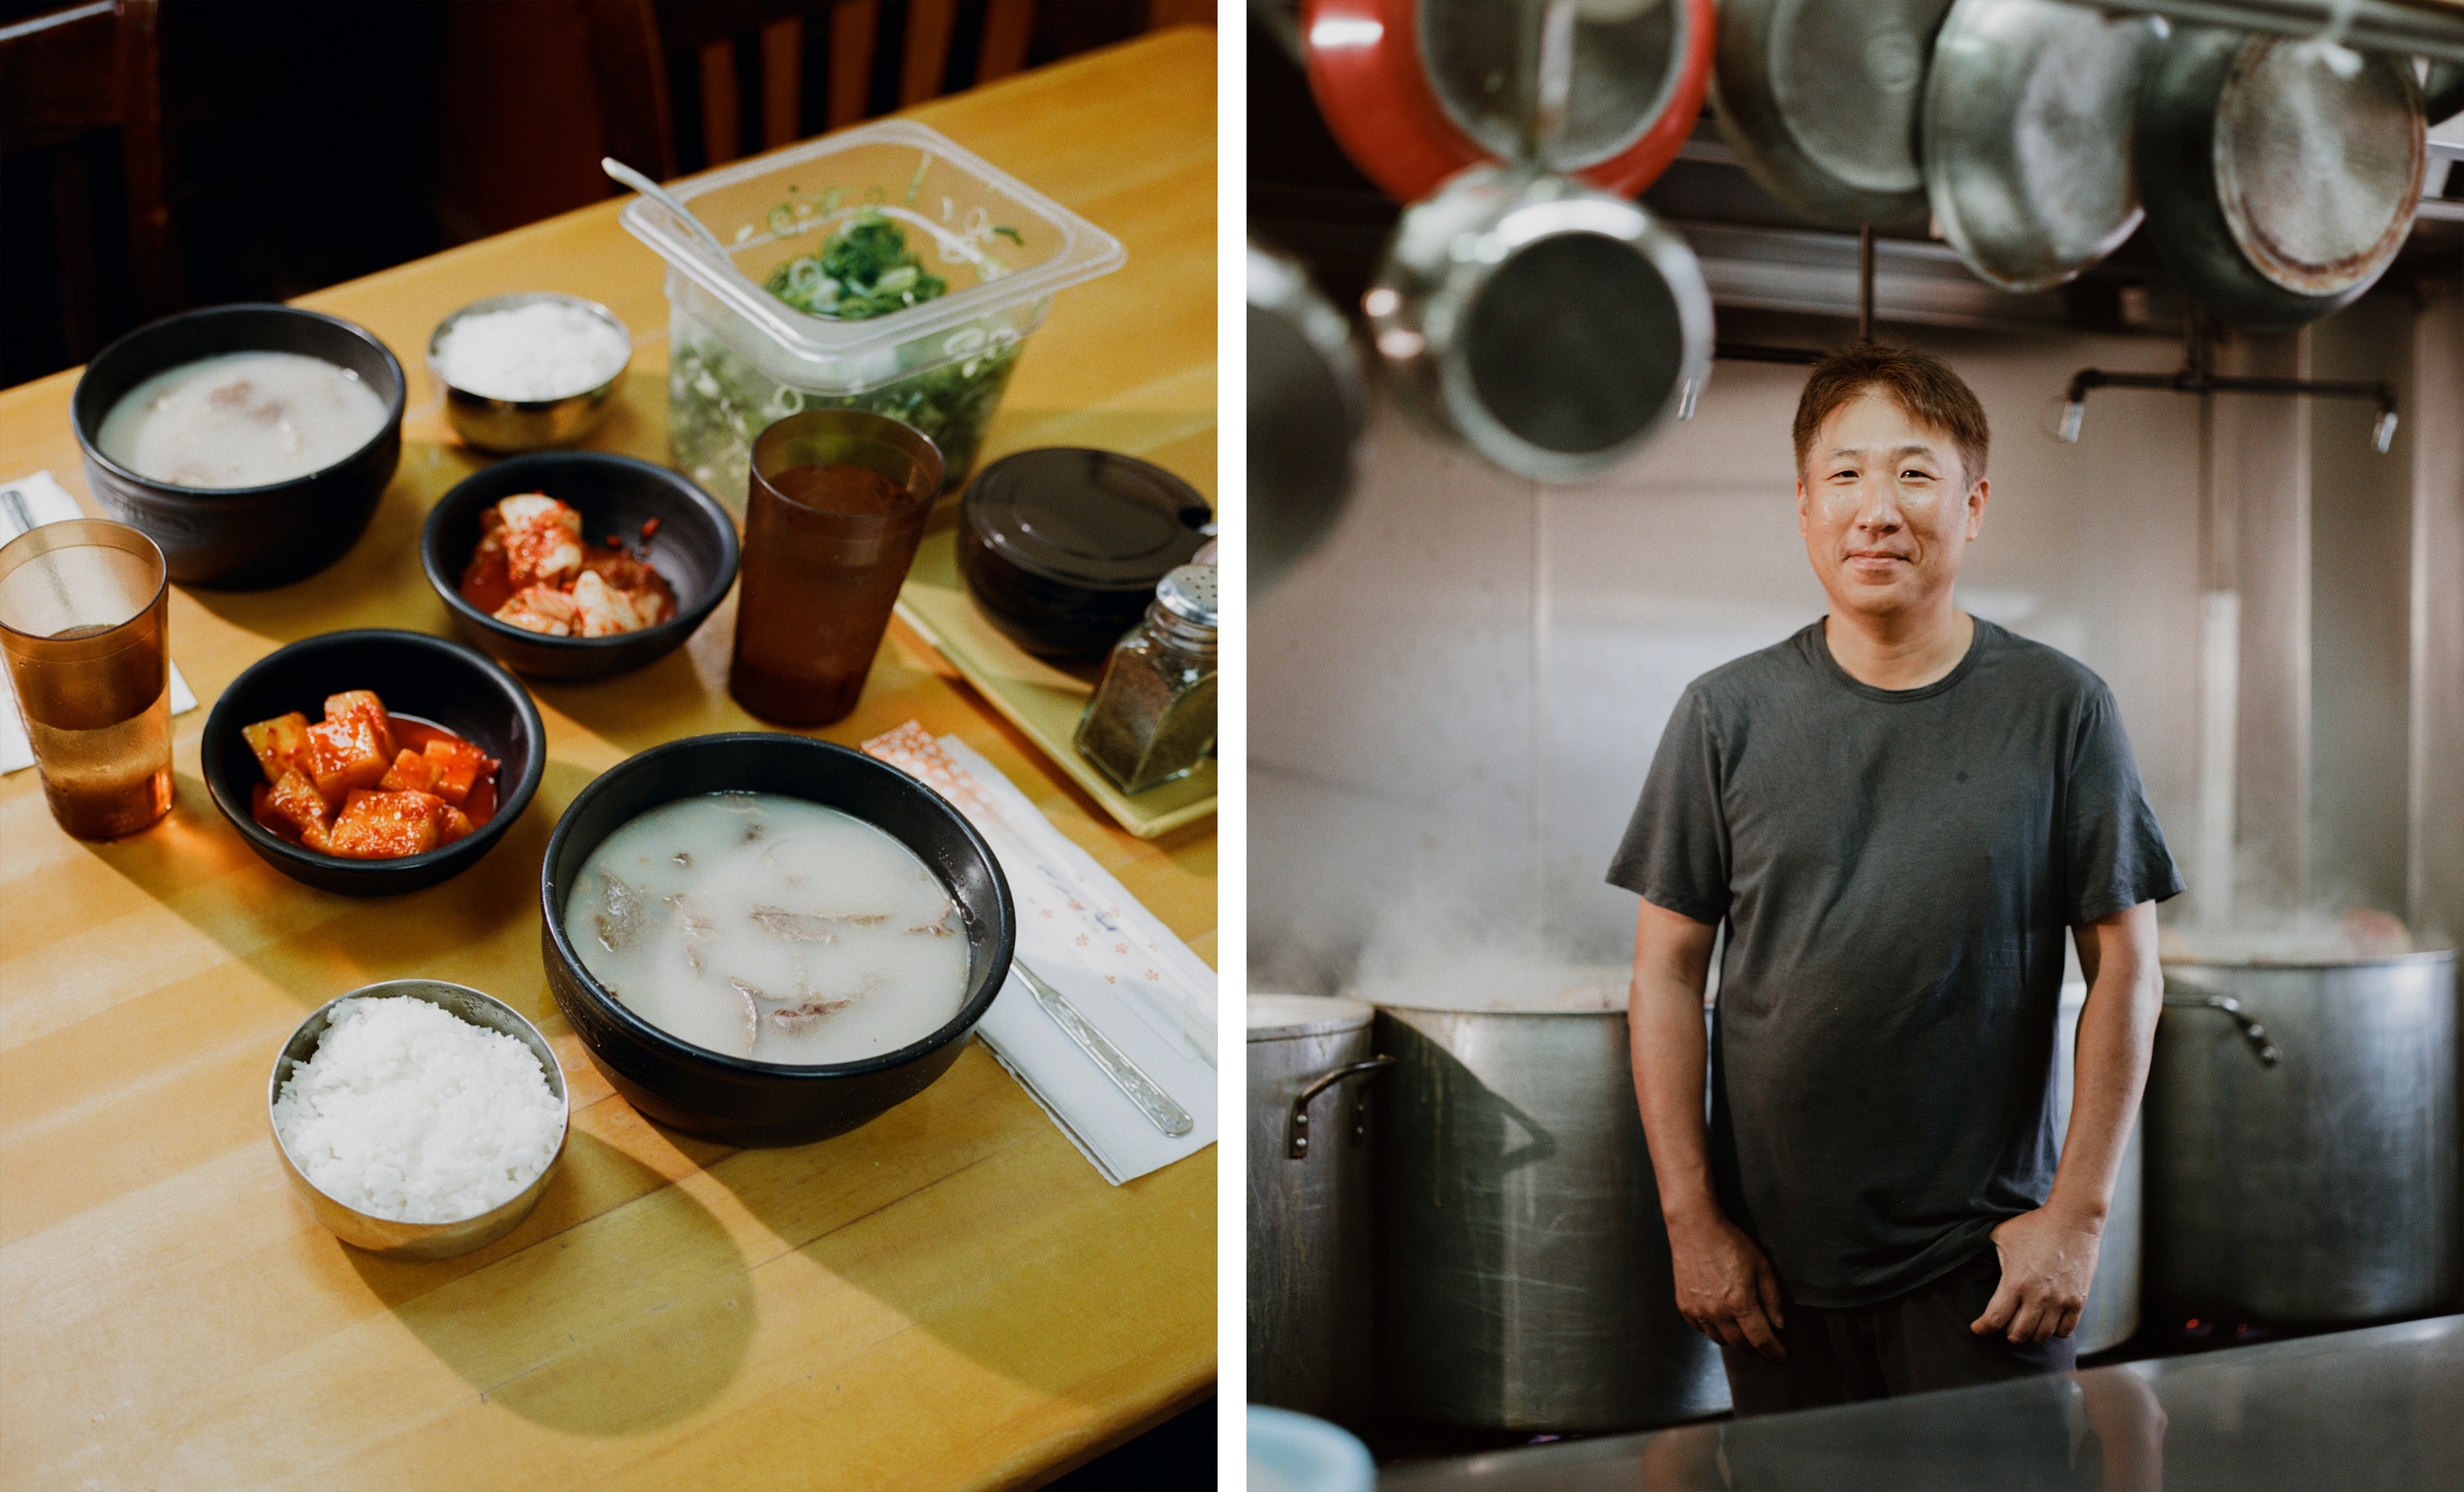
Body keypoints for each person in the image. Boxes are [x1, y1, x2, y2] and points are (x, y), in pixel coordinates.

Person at [1606, 342, 2182, 1416]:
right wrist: (1695, 1224)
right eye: (1846, 475)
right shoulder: (1724, 715)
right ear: (1804, 506)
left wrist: (2079, 1219)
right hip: (1771, 1272)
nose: (1877, 508)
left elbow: (2128, 970)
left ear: (1974, 505)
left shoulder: (2063, 709)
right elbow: (1667, 976)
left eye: (1916, 474)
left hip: (1987, 1266)